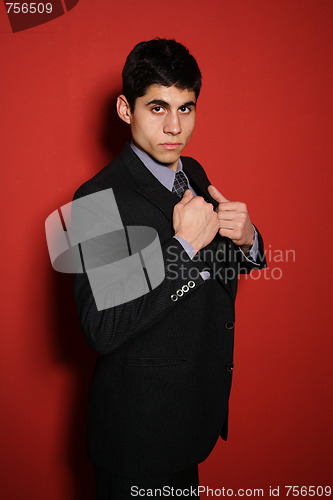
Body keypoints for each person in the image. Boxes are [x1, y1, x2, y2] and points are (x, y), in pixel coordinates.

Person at [73, 38, 267, 499]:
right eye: (158, 108)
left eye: (186, 108)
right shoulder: (94, 200)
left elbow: (216, 269)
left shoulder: (193, 172)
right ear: (126, 109)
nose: (175, 127)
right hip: (138, 437)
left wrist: (248, 240)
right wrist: (180, 247)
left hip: (190, 421)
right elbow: (102, 326)